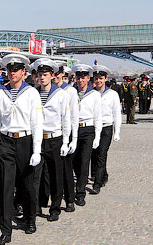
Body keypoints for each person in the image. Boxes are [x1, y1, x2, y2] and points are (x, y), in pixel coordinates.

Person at [0, 53, 42, 245]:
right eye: (9, 70)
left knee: (27, 185)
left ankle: (30, 218)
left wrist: (36, 150)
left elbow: (37, 123)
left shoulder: (31, 93)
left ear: (23, 72)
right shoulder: (0, 94)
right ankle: (5, 230)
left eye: (16, 70)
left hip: (25, 141)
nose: (12, 73)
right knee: (6, 186)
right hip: (6, 142)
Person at [32, 59, 71, 222]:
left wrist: (66, 141)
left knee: (56, 176)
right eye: (39, 74)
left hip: (54, 138)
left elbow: (66, 119)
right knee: (36, 175)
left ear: (52, 76)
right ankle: (37, 205)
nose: (42, 78)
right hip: (38, 139)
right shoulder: (33, 92)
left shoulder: (60, 94)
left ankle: (55, 208)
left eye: (45, 75)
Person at [71, 64, 103, 206]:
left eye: (83, 78)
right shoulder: (70, 93)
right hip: (73, 130)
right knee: (74, 162)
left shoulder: (95, 95)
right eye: (78, 78)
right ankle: (76, 185)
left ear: (88, 78)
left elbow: (98, 117)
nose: (80, 80)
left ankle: (80, 193)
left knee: (84, 162)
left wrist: (97, 136)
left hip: (87, 130)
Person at [88, 65, 121, 195]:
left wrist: (117, 131)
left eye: (101, 78)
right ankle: (103, 175)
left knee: (101, 154)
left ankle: (97, 183)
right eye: (96, 78)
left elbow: (117, 114)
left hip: (106, 127)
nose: (98, 81)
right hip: (93, 127)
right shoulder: (91, 94)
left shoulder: (112, 94)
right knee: (94, 154)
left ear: (106, 79)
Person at [54, 64, 78, 213]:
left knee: (65, 170)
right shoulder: (44, 90)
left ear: (62, 74)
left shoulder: (70, 91)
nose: (55, 76)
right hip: (50, 135)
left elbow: (74, 117)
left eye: (57, 74)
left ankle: (70, 199)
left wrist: (73, 139)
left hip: (65, 134)